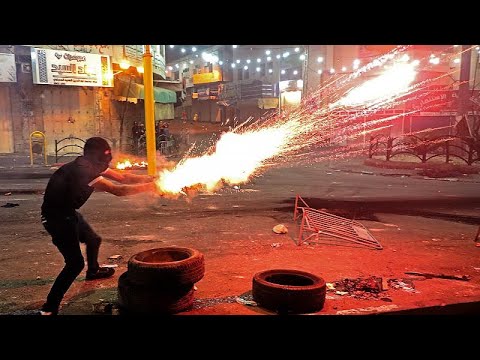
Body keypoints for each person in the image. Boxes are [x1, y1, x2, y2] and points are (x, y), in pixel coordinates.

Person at [39, 137, 162, 315]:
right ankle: (49, 307)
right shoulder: (83, 172)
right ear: (98, 156)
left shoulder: (89, 164)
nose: (109, 158)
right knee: (74, 264)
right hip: (56, 218)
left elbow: (123, 178)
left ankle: (93, 271)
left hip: (68, 212)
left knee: (93, 239)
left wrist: (153, 178)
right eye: (106, 154)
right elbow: (118, 190)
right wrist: (153, 187)